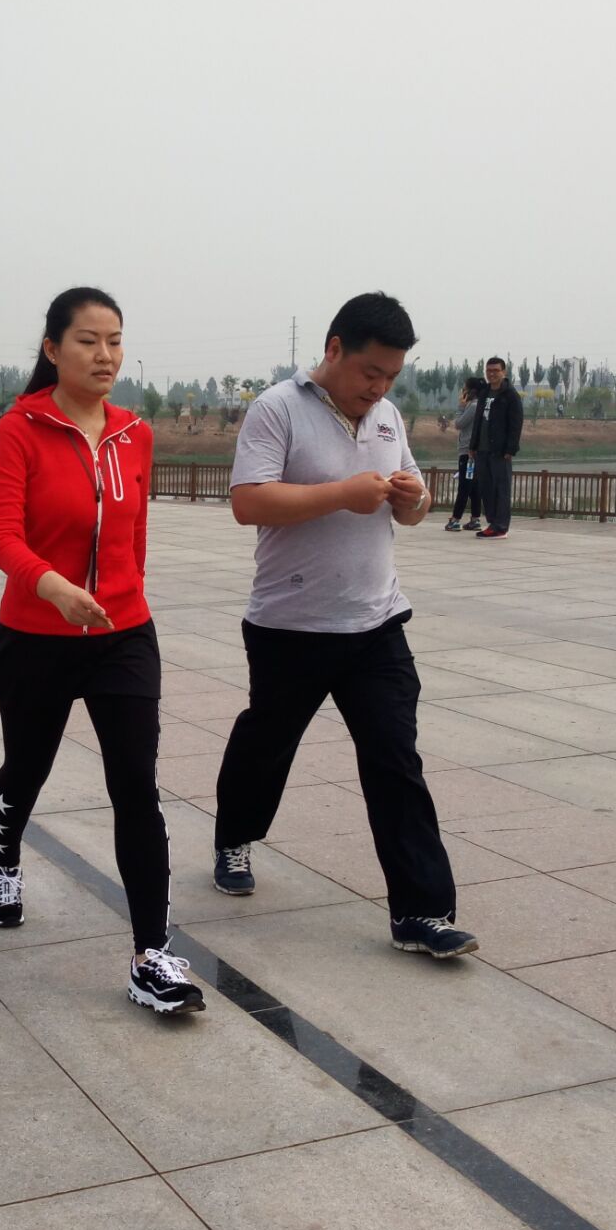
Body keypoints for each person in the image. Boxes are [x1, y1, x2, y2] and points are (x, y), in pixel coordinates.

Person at [209, 292, 477, 959]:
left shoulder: (387, 417)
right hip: (290, 625)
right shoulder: (277, 408)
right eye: (370, 372)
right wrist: (344, 494)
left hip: (376, 622)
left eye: (391, 376)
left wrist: (414, 499)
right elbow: (248, 502)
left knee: (395, 760)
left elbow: (410, 506)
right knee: (267, 743)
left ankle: (422, 912)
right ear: (334, 350)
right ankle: (234, 837)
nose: (379, 388)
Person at [0, 287, 201, 1016]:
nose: (105, 355)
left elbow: (135, 536)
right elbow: (1, 535)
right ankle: (3, 860)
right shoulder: (20, 430)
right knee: (27, 769)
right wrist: (53, 587)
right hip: (38, 635)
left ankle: (151, 955)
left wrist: (123, 599)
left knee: (136, 784)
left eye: (115, 340)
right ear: (52, 349)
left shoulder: (136, 433)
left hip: (122, 635)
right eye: (88, 341)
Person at [471, 356, 522, 540]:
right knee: (486, 488)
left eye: (495, 370)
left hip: (500, 451)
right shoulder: (484, 393)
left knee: (501, 489)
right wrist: (473, 445)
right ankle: (493, 523)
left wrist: (510, 449)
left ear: (504, 372)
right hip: (482, 450)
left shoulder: (510, 395)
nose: (491, 374)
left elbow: (516, 424)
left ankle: (500, 527)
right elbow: (478, 421)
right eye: (489, 370)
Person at [444, 376, 484, 532]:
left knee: (464, 486)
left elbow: (459, 424)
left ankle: (455, 520)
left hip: (468, 453)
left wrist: (461, 407)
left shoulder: (473, 406)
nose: (463, 392)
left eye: (464, 389)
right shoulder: (480, 405)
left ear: (471, 391)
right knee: (474, 487)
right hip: (475, 452)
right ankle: (475, 519)